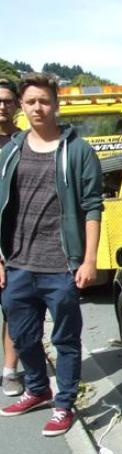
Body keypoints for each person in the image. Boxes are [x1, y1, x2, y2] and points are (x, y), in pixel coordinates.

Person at [0, 73, 103, 436]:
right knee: (24, 336)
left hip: (60, 265)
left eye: (44, 101)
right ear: (22, 107)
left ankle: (64, 405)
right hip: (17, 263)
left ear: (56, 104)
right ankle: (39, 389)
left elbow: (92, 207)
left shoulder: (78, 151)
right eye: (30, 102)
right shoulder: (10, 151)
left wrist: (89, 260)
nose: (37, 108)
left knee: (65, 339)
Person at [0, 79, 22, 396]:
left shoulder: (24, 143)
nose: (1, 105)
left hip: (16, 241)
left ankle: (10, 372)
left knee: (16, 308)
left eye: (7, 100)